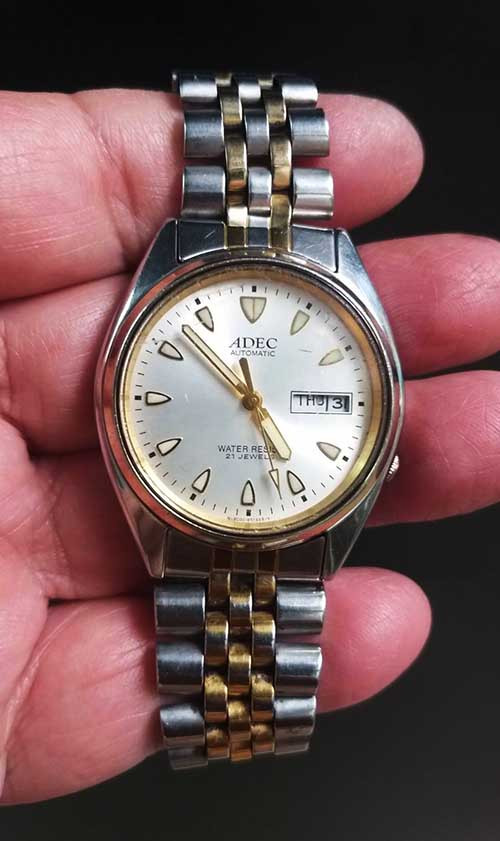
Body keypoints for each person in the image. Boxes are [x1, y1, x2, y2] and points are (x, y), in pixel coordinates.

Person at [0, 87, 498, 805]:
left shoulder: (316, 289)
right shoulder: (183, 284)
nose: (255, 401)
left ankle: (235, 725)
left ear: (381, 444)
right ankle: (233, 727)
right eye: (253, 398)